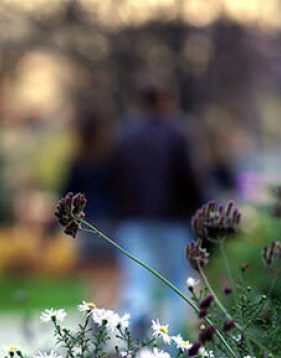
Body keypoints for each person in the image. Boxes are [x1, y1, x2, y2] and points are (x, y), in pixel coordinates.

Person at [111, 80, 204, 337]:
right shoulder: (178, 134)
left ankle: (133, 339)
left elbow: (114, 176)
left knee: (138, 280)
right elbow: (190, 179)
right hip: (172, 218)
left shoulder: (125, 135)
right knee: (177, 283)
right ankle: (173, 343)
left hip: (134, 218)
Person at [62, 108, 119, 309]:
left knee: (92, 281)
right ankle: (104, 319)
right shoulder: (111, 160)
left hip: (87, 225)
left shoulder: (78, 161)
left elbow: (66, 194)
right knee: (112, 280)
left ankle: (93, 321)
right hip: (111, 224)